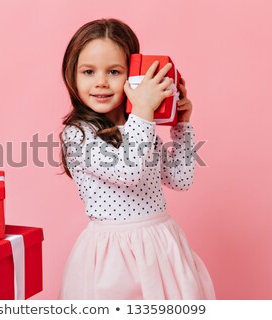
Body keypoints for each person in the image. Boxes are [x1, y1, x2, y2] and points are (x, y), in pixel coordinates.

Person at [58, 18, 215, 300]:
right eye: (89, 72)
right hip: (114, 255)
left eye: (114, 71)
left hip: (161, 244)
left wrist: (181, 125)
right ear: (72, 75)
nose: (101, 83)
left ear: (132, 76)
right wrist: (143, 110)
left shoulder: (141, 125)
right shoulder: (78, 134)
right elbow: (127, 170)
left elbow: (180, 179)